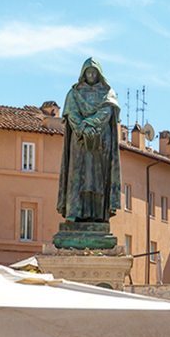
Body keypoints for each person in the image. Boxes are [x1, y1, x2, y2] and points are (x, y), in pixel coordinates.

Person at [57, 58, 120, 224]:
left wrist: (89, 123)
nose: (91, 74)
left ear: (99, 74)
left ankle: (99, 214)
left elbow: (107, 112)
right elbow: (71, 114)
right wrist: (83, 128)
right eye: (88, 71)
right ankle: (73, 212)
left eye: (94, 71)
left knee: (98, 178)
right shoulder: (74, 93)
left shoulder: (108, 93)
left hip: (100, 141)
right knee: (76, 176)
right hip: (79, 140)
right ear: (83, 73)